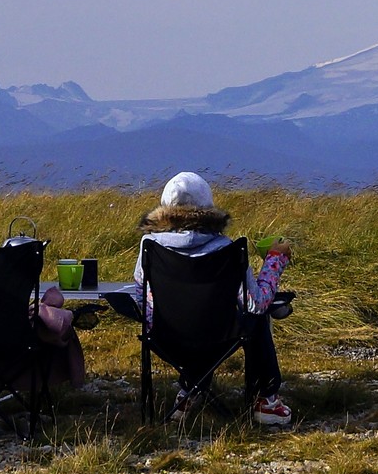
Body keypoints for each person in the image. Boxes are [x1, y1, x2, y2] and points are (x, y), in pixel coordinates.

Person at [126, 171, 293, 426]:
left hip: (165, 337)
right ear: (208, 209)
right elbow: (256, 303)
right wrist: (275, 260)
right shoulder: (226, 249)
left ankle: (189, 391)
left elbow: (142, 299)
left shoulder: (149, 246)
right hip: (221, 336)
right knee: (256, 320)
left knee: (192, 321)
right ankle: (267, 401)